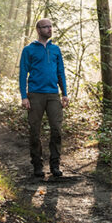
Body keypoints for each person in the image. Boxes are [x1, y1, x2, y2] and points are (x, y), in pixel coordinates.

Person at [19, 18, 70, 179]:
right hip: (35, 95)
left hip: (53, 95)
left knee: (56, 129)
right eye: (45, 27)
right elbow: (22, 74)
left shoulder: (55, 49)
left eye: (50, 26)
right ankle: (37, 165)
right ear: (38, 30)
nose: (49, 29)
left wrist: (65, 93)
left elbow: (61, 72)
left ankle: (55, 165)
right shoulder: (29, 50)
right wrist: (23, 96)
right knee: (34, 131)